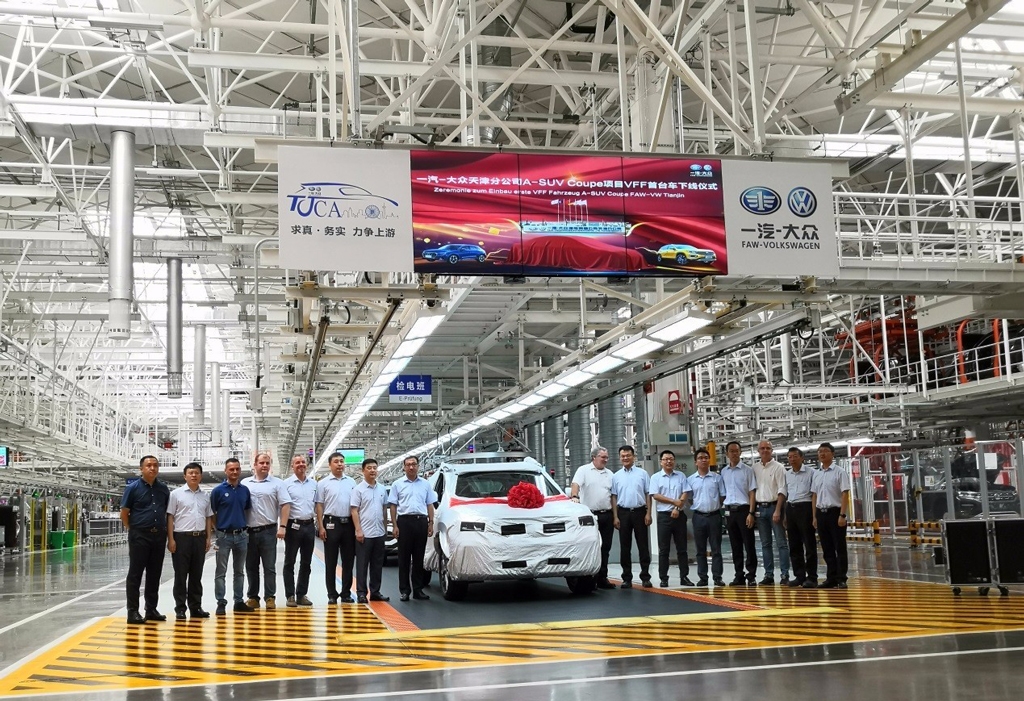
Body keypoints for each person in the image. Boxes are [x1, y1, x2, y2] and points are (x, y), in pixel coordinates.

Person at [120, 455, 171, 625]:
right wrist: (134, 529)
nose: (152, 468)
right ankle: (132, 611)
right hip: (139, 536)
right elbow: (124, 513)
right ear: (141, 469)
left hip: (159, 536)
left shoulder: (163, 489)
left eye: (155, 465)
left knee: (154, 574)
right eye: (149, 465)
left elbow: (166, 511)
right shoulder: (133, 488)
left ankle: (151, 609)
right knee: (135, 574)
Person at [242, 452, 293, 609]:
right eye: (261, 463)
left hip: (269, 531)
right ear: (255, 465)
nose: (264, 465)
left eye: (267, 463)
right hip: (248, 532)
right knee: (251, 566)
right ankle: (253, 597)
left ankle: (270, 597)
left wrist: (283, 526)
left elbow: (285, 504)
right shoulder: (245, 483)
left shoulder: (277, 483)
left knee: (269, 567)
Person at [166, 462, 213, 620]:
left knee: (196, 575)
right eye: (190, 473)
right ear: (185, 476)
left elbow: (208, 517)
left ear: (201, 476)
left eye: (197, 473)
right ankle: (180, 608)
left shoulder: (205, 496)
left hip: (199, 538)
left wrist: (208, 538)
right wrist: (171, 539)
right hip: (181, 538)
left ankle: (196, 607)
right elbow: (170, 517)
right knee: (180, 575)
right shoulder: (176, 494)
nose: (194, 475)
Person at [388, 455, 437, 601]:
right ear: (404, 467)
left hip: (421, 522)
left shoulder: (425, 484)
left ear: (418, 466)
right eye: (408, 464)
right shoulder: (397, 484)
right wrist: (395, 525)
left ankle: (418, 590)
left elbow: (430, 504)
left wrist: (431, 523)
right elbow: (393, 505)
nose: (411, 467)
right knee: (403, 558)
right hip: (404, 522)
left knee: (418, 558)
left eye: (414, 464)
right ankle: (404, 590)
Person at [210, 457, 253, 615]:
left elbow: (246, 510)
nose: (235, 472)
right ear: (225, 471)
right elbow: (211, 513)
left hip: (241, 536)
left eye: (237, 469)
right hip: (223, 537)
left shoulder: (244, 490)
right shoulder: (218, 491)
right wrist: (219, 529)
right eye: (231, 469)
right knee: (220, 571)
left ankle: (238, 601)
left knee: (239, 571)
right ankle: (221, 602)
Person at [570, 446, 615, 589]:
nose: (606, 460)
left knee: (605, 547)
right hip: (589, 516)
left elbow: (613, 496)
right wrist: (575, 496)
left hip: (607, 514)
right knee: (590, 547)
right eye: (603, 457)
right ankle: (589, 579)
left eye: (607, 457)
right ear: (594, 457)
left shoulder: (610, 474)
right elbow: (575, 484)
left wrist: (615, 516)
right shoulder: (583, 470)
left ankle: (602, 577)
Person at [316, 451, 358, 604]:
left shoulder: (352, 482)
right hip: (331, 523)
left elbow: (356, 506)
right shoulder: (323, 483)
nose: (340, 464)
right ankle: (332, 594)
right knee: (331, 561)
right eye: (336, 461)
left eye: (341, 461)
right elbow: (319, 506)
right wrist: (321, 526)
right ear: (330, 465)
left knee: (348, 561)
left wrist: (357, 527)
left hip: (349, 525)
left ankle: (346, 593)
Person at [648, 449, 694, 587]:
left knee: (682, 548)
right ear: (661, 462)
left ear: (674, 461)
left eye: (671, 459)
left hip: (679, 516)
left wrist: (677, 508)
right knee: (664, 550)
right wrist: (674, 502)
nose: (668, 461)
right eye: (665, 459)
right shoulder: (655, 477)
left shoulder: (681, 476)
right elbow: (655, 495)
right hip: (664, 517)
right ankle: (663, 578)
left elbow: (685, 492)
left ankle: (684, 577)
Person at [610, 445, 652, 589]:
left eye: (628, 455)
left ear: (634, 456)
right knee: (625, 547)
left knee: (643, 546)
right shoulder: (616, 476)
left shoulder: (643, 474)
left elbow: (648, 494)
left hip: (640, 512)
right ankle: (626, 578)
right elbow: (614, 497)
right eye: (623, 456)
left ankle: (645, 577)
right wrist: (615, 516)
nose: (625, 458)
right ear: (619, 457)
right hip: (623, 513)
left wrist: (648, 513)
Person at [811, 442, 851, 589]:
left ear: (832, 454)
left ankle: (842, 578)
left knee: (839, 547)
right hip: (821, 513)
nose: (822, 453)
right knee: (827, 548)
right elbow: (814, 495)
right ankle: (831, 578)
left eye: (825, 451)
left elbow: (845, 494)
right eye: (820, 451)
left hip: (835, 513)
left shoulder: (840, 472)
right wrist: (814, 516)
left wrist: (842, 515)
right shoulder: (817, 474)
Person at [351, 458, 390, 604]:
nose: (372, 470)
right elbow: (354, 511)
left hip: (379, 533)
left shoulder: (382, 489)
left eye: (374, 467)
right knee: (362, 565)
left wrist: (384, 529)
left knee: (377, 564)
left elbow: (384, 509)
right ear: (363, 470)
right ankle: (361, 593)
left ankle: (375, 592)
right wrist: (358, 530)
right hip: (364, 534)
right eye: (369, 468)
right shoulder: (358, 490)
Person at [752, 439, 790, 585]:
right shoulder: (754, 468)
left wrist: (778, 510)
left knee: (781, 543)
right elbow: (752, 490)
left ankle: (785, 574)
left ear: (772, 451)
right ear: (758, 451)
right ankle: (769, 575)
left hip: (775, 507)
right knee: (765, 544)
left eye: (768, 448)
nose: (765, 450)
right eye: (762, 448)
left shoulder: (779, 468)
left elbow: (782, 490)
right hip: (760, 509)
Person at [283, 454, 317, 607]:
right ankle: (290, 595)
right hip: (293, 526)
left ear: (307, 465)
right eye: (297, 462)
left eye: (303, 462)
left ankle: (301, 594)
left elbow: (318, 505)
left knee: (306, 562)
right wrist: (282, 526)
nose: (301, 464)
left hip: (309, 526)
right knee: (289, 561)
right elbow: (282, 506)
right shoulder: (286, 484)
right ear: (292, 466)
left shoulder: (314, 484)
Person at [722, 441, 758, 586]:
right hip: (730, 512)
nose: (734, 453)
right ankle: (739, 575)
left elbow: (752, 492)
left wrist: (751, 513)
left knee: (749, 544)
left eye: (736, 451)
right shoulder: (724, 472)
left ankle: (751, 575)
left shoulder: (747, 470)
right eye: (731, 451)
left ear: (740, 452)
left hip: (744, 511)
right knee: (735, 546)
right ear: (727, 454)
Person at [689, 447, 727, 587]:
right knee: (700, 550)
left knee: (716, 548)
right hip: (698, 517)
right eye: (700, 458)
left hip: (714, 516)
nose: (703, 460)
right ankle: (703, 578)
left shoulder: (717, 478)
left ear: (709, 460)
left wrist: (713, 506)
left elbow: (722, 496)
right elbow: (690, 498)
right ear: (695, 462)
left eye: (706, 457)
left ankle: (717, 577)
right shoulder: (691, 480)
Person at [785, 447, 818, 588]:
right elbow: (786, 493)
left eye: (795, 456)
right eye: (790, 457)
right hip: (791, 508)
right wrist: (785, 515)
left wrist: (814, 515)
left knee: (809, 544)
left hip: (805, 508)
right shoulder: (787, 474)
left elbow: (814, 494)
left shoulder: (811, 472)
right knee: (794, 545)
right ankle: (799, 576)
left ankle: (812, 577)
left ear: (802, 458)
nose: (792, 459)